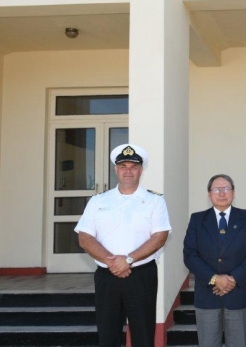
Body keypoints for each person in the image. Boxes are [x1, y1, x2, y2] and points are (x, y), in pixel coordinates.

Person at [75, 144, 171, 347]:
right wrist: (113, 262)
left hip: (141, 275)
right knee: (108, 335)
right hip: (106, 275)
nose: (128, 170)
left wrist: (127, 260)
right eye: (123, 166)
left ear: (141, 170)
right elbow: (85, 237)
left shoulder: (155, 201)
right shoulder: (98, 201)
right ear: (116, 170)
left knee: (143, 334)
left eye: (133, 166)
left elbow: (159, 236)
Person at [183, 174, 246, 347]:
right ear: (209, 194)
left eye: (226, 188)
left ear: (233, 193)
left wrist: (233, 278)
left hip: (239, 292)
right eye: (216, 189)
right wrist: (214, 279)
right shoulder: (197, 220)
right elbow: (190, 254)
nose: (222, 193)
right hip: (207, 293)